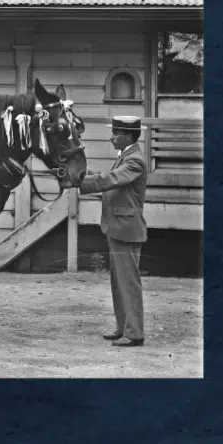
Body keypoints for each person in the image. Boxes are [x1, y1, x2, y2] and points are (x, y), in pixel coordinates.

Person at [79, 116, 148, 347]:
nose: (112, 137)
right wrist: (82, 173)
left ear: (128, 136)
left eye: (116, 133)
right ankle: (124, 327)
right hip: (118, 226)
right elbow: (109, 178)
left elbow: (112, 180)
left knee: (128, 282)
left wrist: (81, 182)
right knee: (119, 282)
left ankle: (134, 333)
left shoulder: (134, 160)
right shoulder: (127, 156)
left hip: (126, 228)